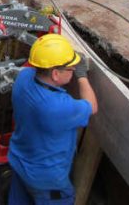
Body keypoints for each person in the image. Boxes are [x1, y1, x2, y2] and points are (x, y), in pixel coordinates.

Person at [8, 33, 99, 204]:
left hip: (20, 162)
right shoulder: (58, 107)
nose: (73, 70)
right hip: (47, 182)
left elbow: (31, 68)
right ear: (55, 74)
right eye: (70, 68)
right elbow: (92, 106)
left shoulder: (23, 78)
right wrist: (81, 76)